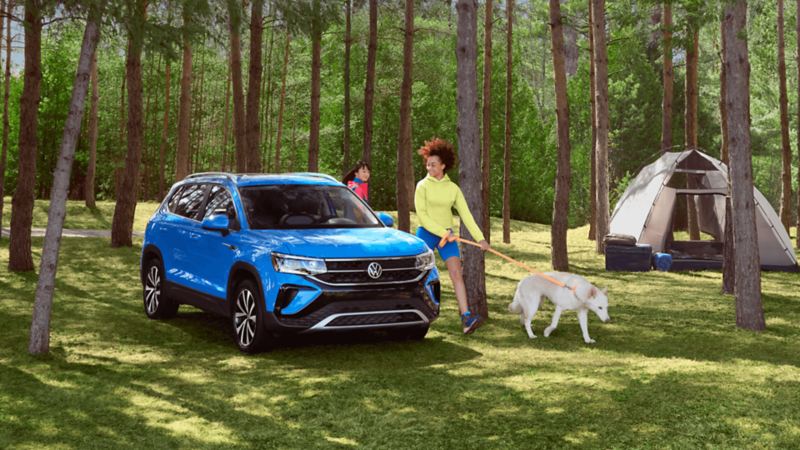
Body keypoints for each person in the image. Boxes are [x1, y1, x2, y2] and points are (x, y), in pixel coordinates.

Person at [414, 138, 490, 334]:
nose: (429, 167)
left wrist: (480, 239)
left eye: (433, 164)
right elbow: (422, 215)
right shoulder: (422, 186)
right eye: (428, 164)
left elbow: (466, 215)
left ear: (443, 166)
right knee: (418, 276)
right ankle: (414, 315)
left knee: (457, 274)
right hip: (427, 234)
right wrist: (443, 233)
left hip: (447, 237)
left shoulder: (453, 189)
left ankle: (466, 318)